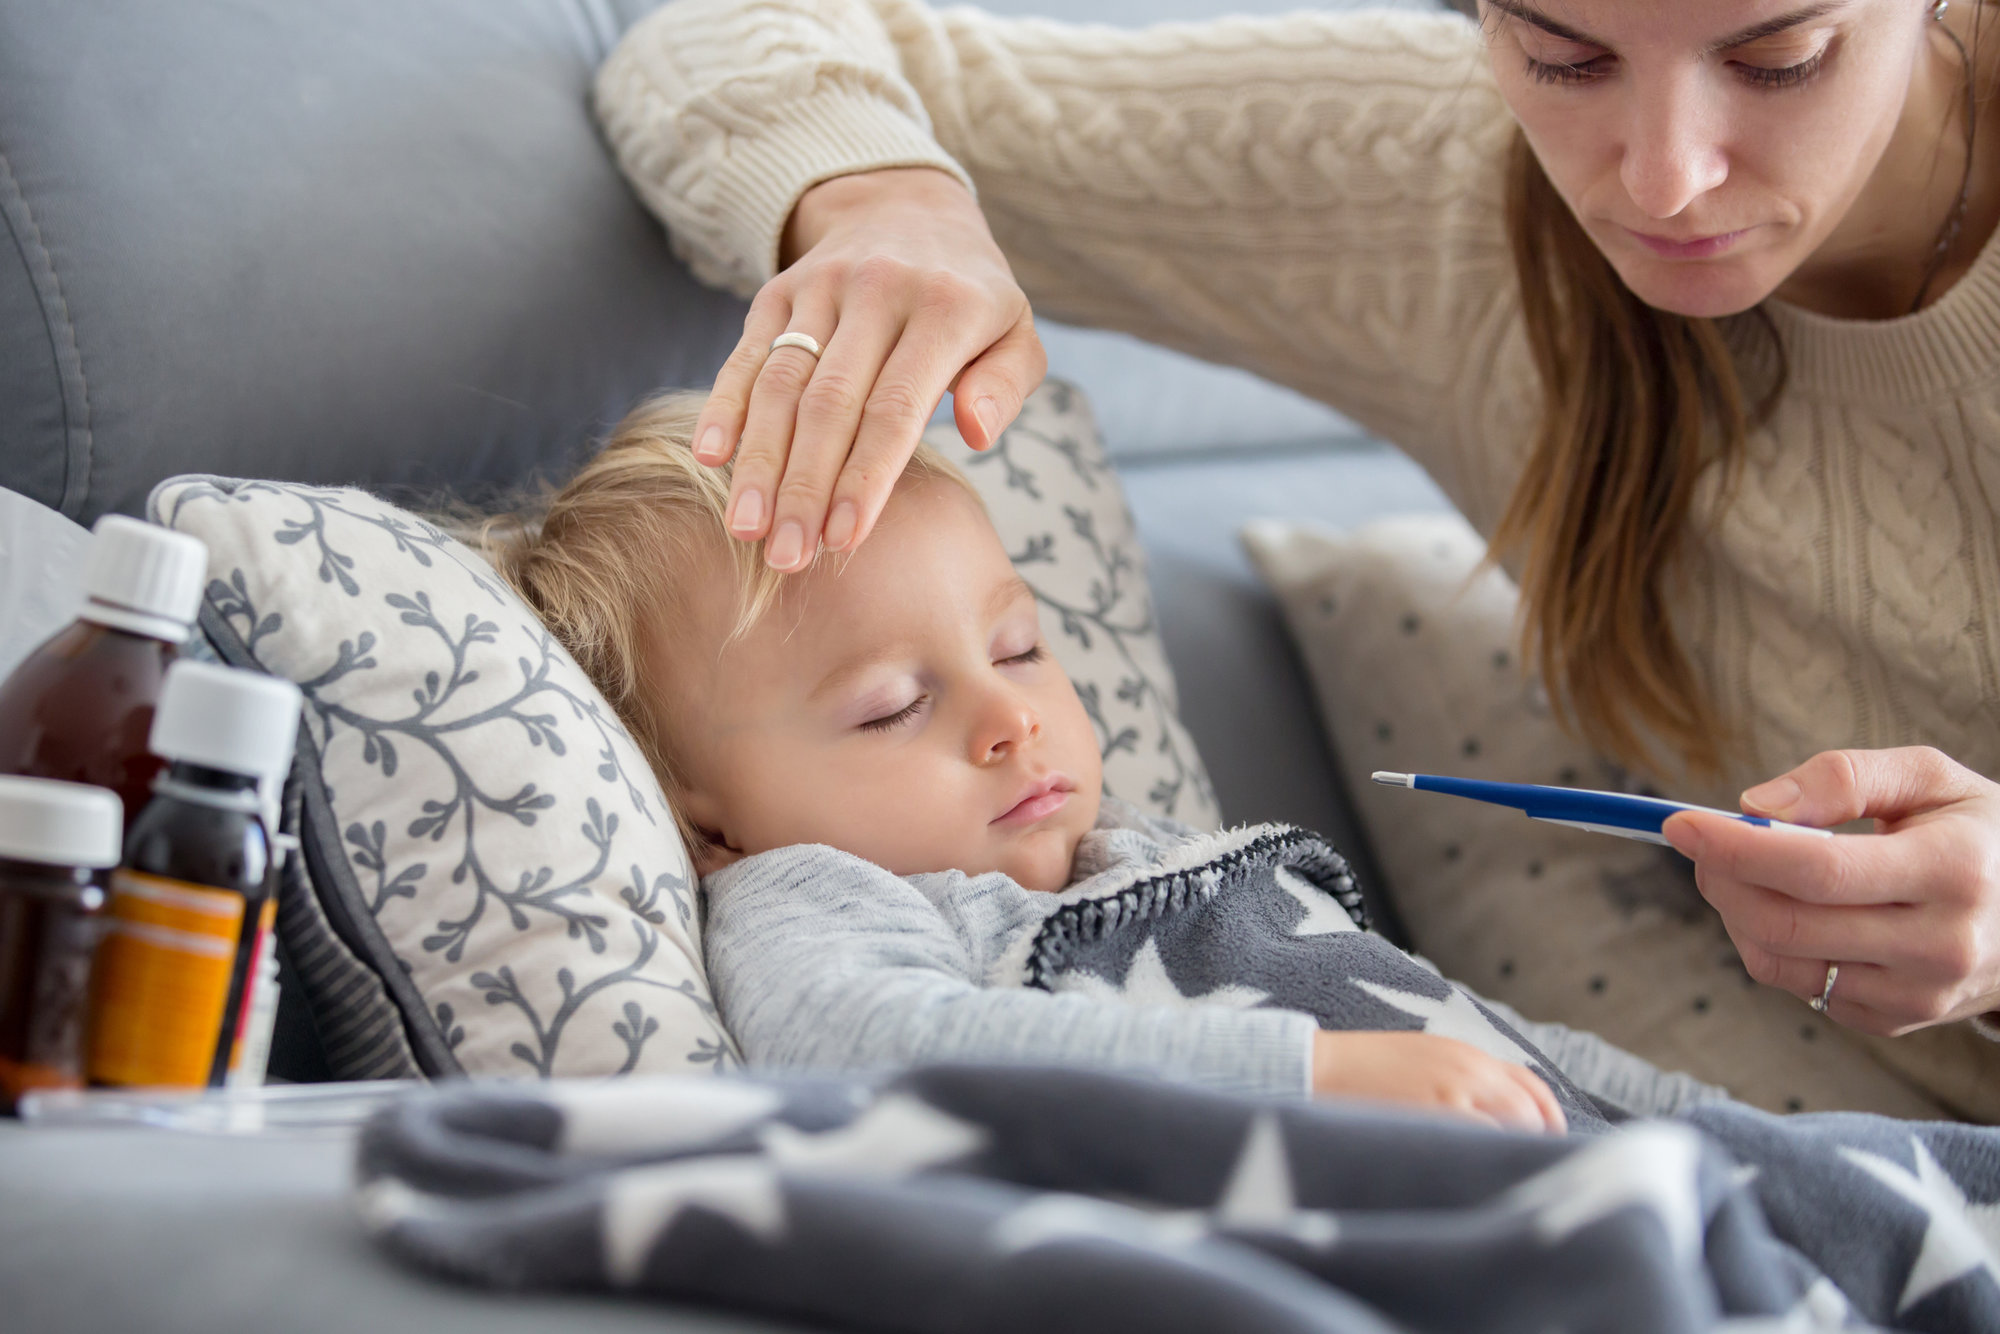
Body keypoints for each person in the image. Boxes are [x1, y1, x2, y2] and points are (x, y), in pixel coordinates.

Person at [588, 0, 2000, 1113]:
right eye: (1564, 55)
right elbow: (715, 37)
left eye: (1781, 57)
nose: (1664, 176)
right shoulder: (1442, 183)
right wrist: (888, 203)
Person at [477, 390, 1729, 1134]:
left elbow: (1481, 1034)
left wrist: (1719, 1123)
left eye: (1018, 647)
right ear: (712, 828)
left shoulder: (1154, 853)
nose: (1007, 719)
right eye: (890, 707)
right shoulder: (820, 896)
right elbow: (871, 1040)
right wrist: (1309, 1074)